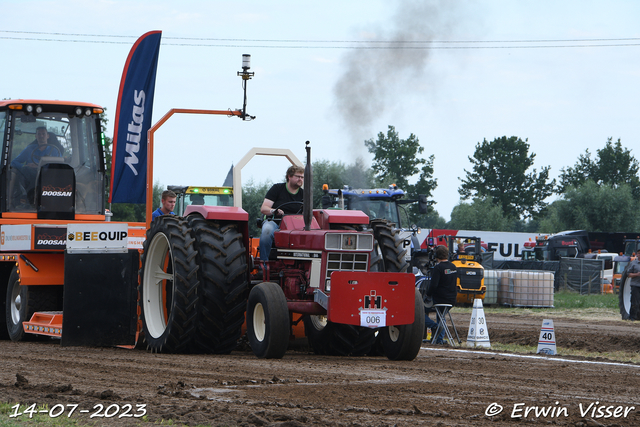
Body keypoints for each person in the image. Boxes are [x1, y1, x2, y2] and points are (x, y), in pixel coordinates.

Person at [258, 165, 305, 261]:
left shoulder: (304, 194)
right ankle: (264, 264)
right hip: (276, 222)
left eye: (302, 177)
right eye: (298, 177)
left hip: (295, 225)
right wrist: (273, 211)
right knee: (267, 231)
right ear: (289, 176)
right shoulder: (277, 188)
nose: (300, 179)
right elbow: (264, 208)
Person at [10, 126, 63, 205]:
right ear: (36, 136)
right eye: (39, 134)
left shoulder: (54, 150)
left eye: (43, 134)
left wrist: (40, 166)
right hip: (31, 175)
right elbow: (14, 162)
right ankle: (24, 198)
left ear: (47, 136)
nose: (41, 136)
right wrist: (25, 166)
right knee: (23, 171)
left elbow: (61, 164)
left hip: (49, 175)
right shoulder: (29, 149)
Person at [424, 245, 458, 344]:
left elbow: (433, 285)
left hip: (440, 299)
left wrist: (428, 295)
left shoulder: (438, 268)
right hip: (452, 300)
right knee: (441, 316)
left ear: (436, 255)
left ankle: (434, 327)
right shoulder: (453, 266)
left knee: (420, 312)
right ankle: (439, 340)